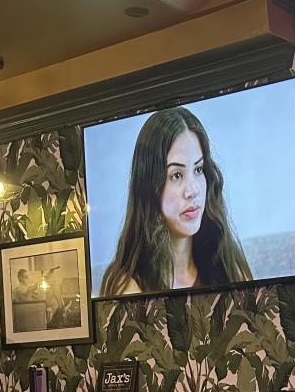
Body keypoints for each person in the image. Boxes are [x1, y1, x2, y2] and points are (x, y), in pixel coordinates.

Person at [101, 107, 252, 295]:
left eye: (198, 170)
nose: (193, 190)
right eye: (177, 175)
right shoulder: (129, 286)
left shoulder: (229, 269)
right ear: (149, 185)